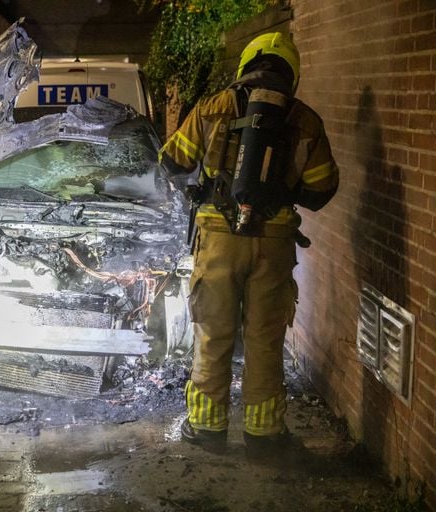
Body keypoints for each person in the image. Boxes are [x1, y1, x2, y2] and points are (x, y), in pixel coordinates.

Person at [159, 32, 339, 458]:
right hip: (274, 243)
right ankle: (263, 433)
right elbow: (321, 190)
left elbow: (172, 161)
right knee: (264, 337)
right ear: (290, 70)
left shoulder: (211, 107)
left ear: (247, 63)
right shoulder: (305, 120)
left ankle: (206, 426)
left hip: (219, 240)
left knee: (213, 332)